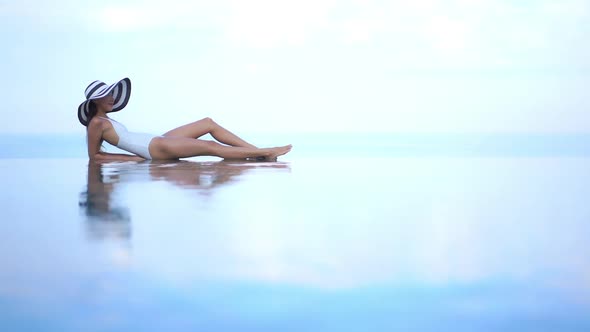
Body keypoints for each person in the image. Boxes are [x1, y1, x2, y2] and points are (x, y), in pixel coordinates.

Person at [78, 78, 292, 161]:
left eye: (112, 93)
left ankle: (256, 152)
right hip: (154, 149)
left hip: (156, 141)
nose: (112, 97)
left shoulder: (107, 120)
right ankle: (266, 152)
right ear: (96, 100)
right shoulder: (96, 123)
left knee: (207, 122)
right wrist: (134, 160)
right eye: (106, 95)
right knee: (210, 146)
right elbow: (95, 156)